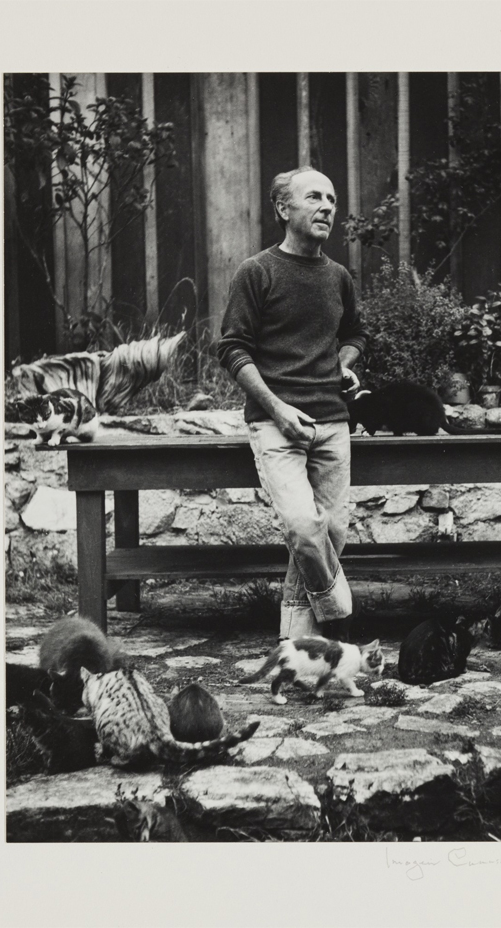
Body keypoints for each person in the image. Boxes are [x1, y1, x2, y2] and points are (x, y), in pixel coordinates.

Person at [218, 166, 367, 641]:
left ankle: (298, 646)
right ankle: (337, 608)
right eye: (314, 197)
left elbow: (355, 334)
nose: (327, 206)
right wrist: (278, 408)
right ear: (283, 208)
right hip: (275, 423)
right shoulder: (256, 271)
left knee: (333, 534)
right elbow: (232, 349)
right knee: (305, 529)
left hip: (333, 421)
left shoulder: (339, 277)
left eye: (332, 197)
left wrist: (344, 362)